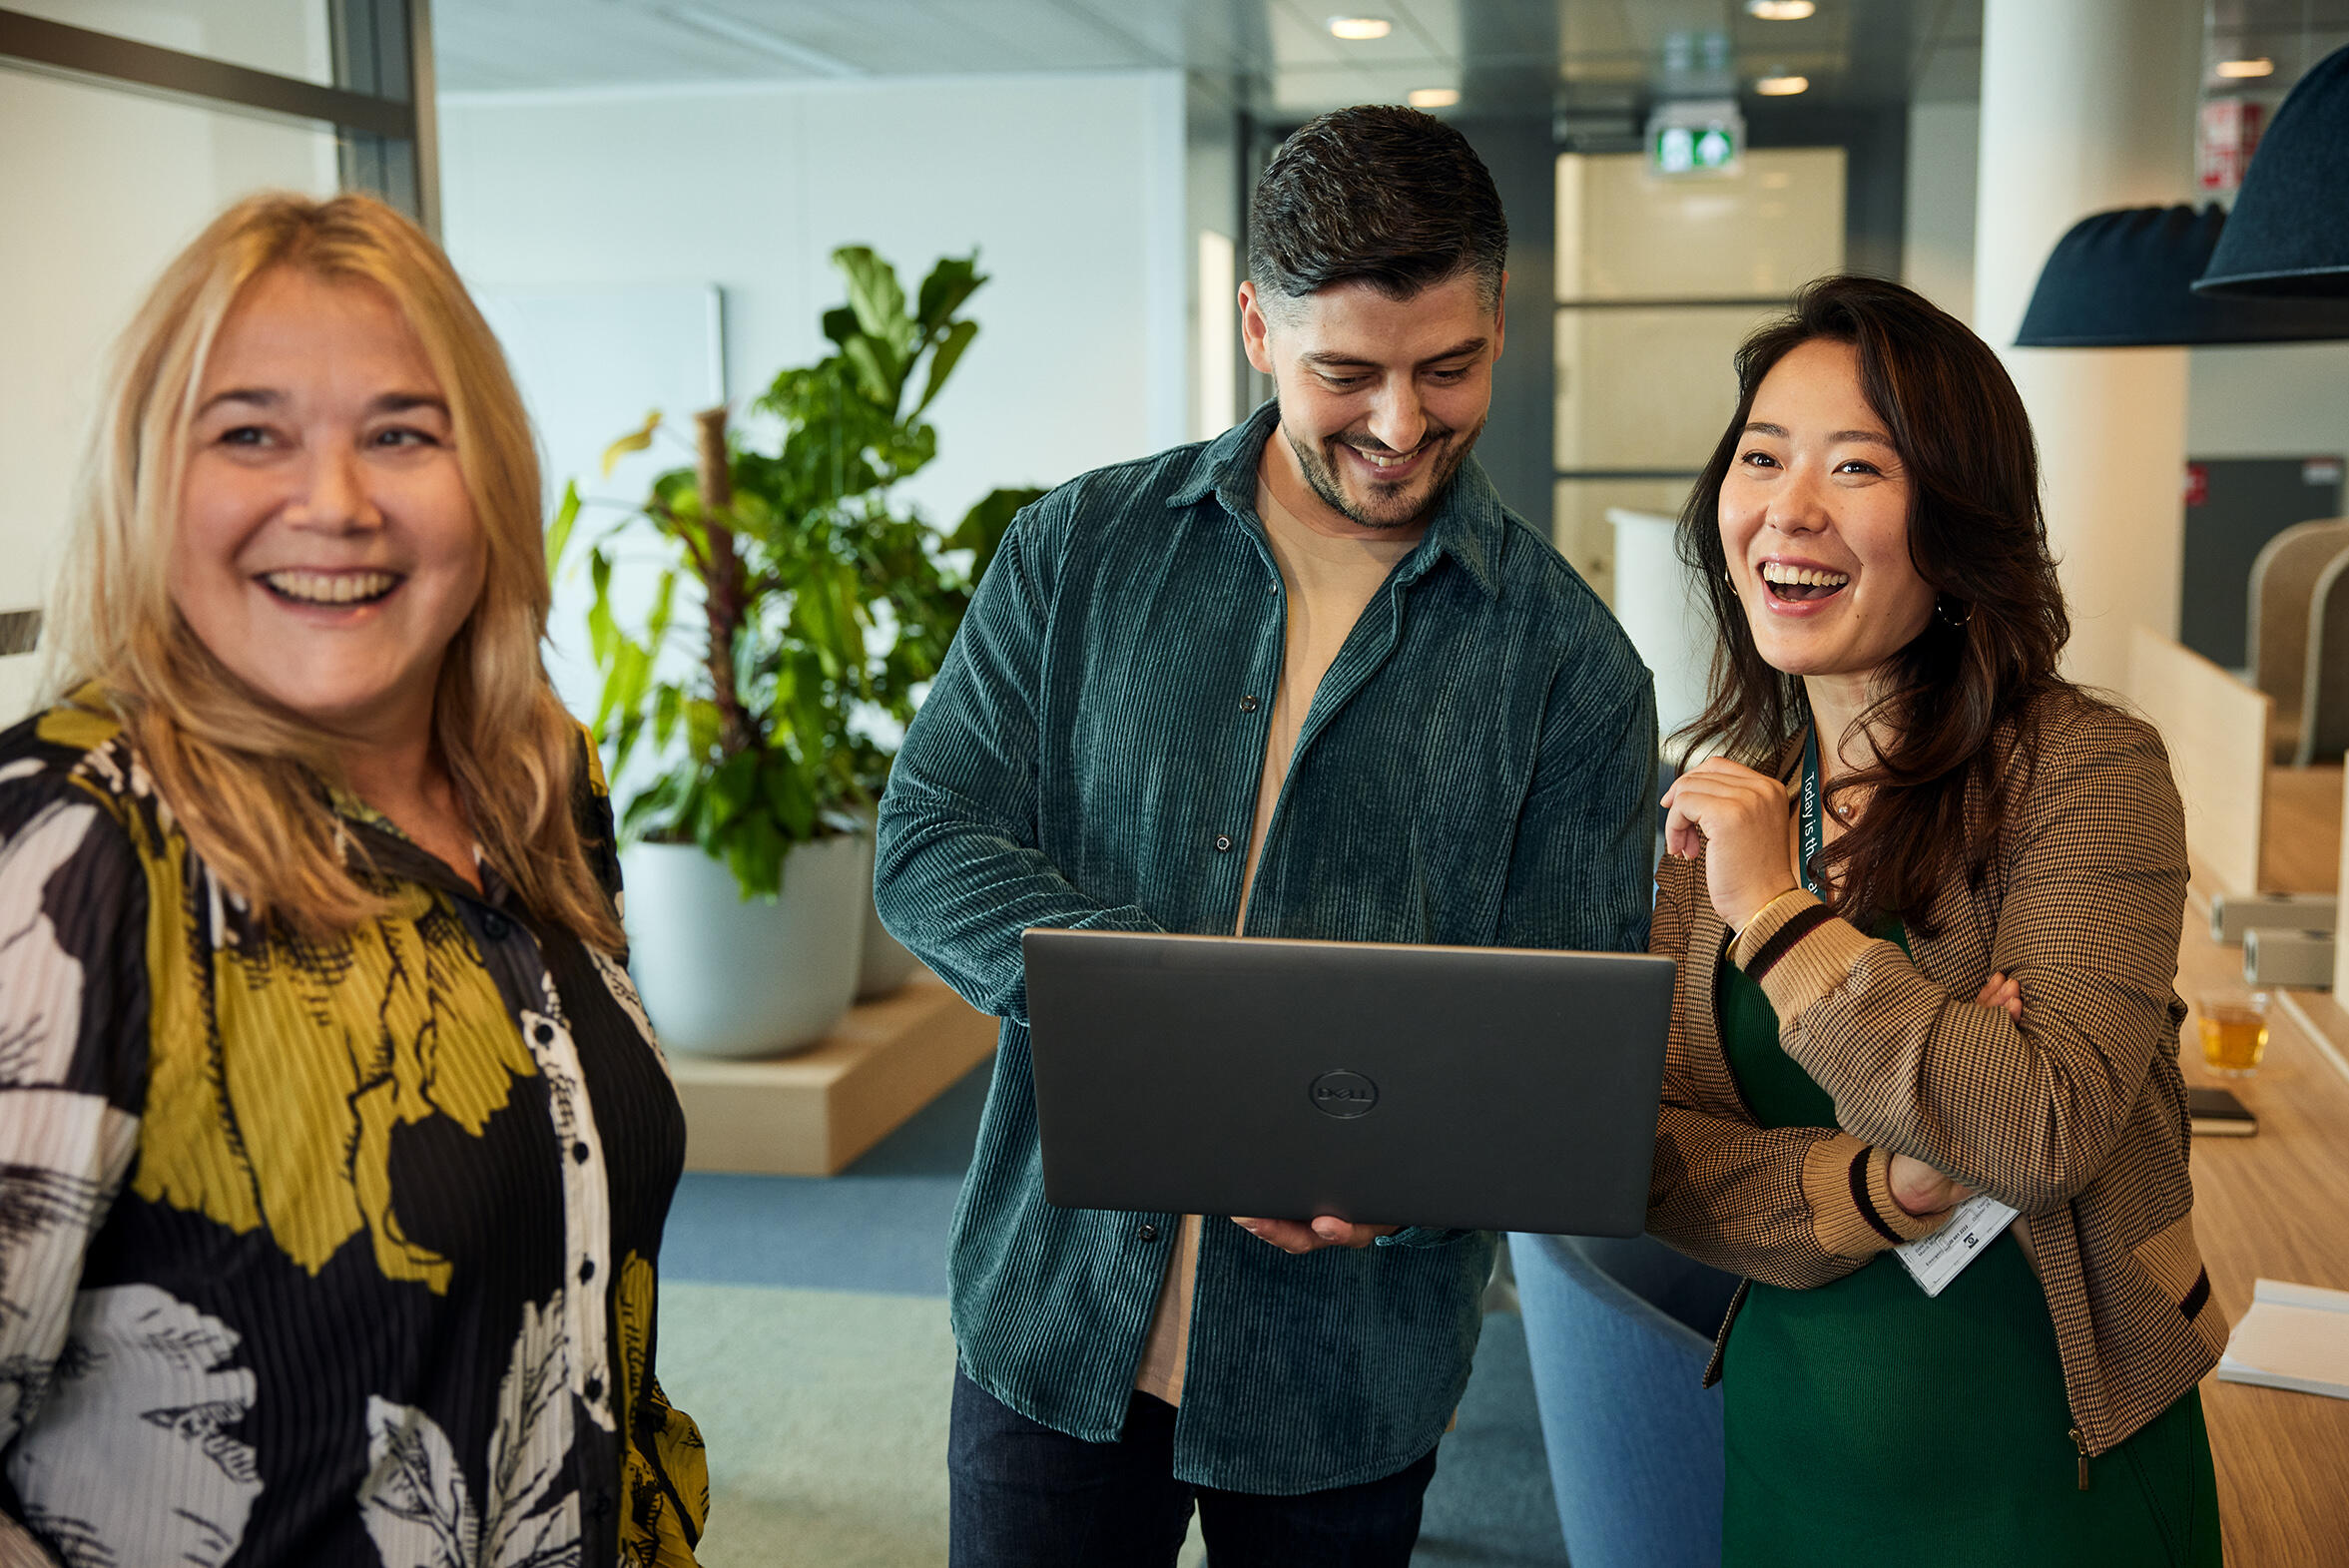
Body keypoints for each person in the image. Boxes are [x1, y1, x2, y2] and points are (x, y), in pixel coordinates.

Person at [875, 105, 1656, 1565]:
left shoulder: (1573, 670)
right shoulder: (1080, 551)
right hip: (1054, 1321)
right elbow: (927, 836)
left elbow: (1564, 1037)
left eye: (1449, 368)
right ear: (1255, 327)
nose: (1401, 426)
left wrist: (1409, 1182)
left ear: (1501, 321)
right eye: (1344, 374)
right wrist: (1159, 1011)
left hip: (1344, 1374)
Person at [0, 193, 707, 1564]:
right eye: (250, 434)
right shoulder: (71, 846)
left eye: (401, 434)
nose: (335, 505)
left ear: (487, 475)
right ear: (150, 482)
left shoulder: (537, 783)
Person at [1645, 274, 2225, 1565]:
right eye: (1761, 458)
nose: (1789, 509)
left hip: (2055, 1477)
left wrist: (1779, 920)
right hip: (1796, 1457)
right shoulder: (1732, 805)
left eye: (1857, 466)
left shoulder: (2086, 773)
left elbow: (2040, 1130)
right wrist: (1889, 1177)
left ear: (1957, 520)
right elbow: (1655, 1157)